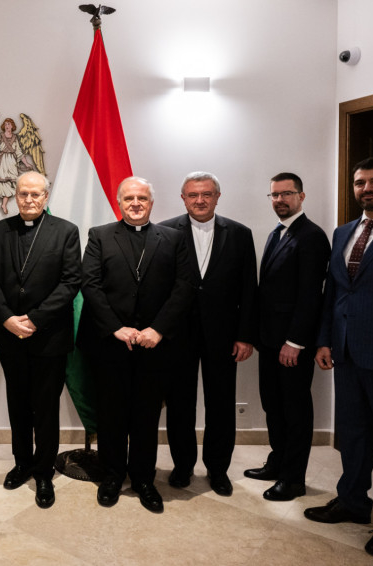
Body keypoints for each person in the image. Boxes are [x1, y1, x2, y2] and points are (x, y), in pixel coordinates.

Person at [78, 176, 194, 514]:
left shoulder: (173, 238)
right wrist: (116, 328)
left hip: (154, 345)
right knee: (111, 415)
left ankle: (144, 479)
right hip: (110, 344)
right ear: (119, 202)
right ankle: (112, 475)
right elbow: (90, 284)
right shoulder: (99, 235)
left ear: (151, 203)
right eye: (129, 198)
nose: (135, 203)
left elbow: (184, 286)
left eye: (142, 198)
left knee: (146, 416)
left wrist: (158, 329)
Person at [0, 171, 80, 509]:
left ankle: (43, 471)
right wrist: (7, 318)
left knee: (46, 408)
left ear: (46, 197)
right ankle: (22, 462)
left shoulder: (65, 231)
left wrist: (36, 319)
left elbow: (70, 282)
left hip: (48, 336)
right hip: (9, 335)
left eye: (36, 194)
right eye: (23, 193)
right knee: (18, 403)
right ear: (15, 194)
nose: (29, 199)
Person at [160, 172, 257, 496]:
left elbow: (249, 288)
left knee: (221, 404)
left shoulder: (240, 234)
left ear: (217, 196)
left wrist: (245, 335)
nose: (199, 200)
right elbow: (159, 288)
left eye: (206, 194)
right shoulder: (164, 231)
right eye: (193, 195)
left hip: (224, 335)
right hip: (177, 335)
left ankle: (218, 469)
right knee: (179, 404)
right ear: (183, 198)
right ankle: (182, 466)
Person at [304, 157, 373, 557]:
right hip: (347, 352)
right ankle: (353, 502)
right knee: (352, 433)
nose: (367, 188)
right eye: (360, 182)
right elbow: (333, 292)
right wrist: (324, 341)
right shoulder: (343, 232)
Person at [244, 172, 330, 501]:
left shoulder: (312, 236)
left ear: (301, 196)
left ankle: (293, 479)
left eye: (286, 194)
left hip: (292, 344)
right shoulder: (276, 233)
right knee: (273, 406)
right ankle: (278, 463)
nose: (279, 200)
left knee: (295, 411)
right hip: (270, 341)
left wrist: (295, 342)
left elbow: (310, 295)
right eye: (274, 195)